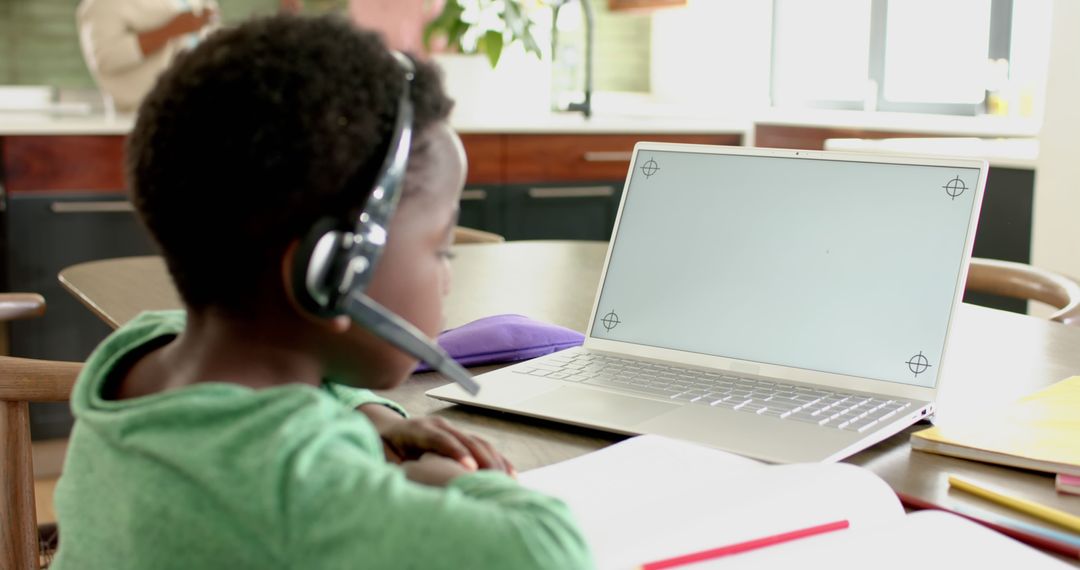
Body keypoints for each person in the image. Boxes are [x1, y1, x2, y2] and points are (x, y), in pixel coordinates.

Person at [51, 14, 592, 570]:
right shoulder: (304, 486)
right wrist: (439, 480)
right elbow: (547, 549)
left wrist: (374, 417)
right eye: (440, 249)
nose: (448, 276)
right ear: (329, 268)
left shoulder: (144, 354)